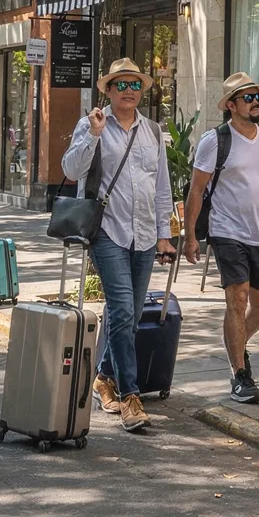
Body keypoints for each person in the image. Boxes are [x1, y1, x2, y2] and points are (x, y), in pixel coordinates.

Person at [61, 57, 173, 433]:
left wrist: (165, 234)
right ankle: (130, 397)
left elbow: (161, 188)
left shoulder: (153, 131)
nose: (129, 90)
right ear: (107, 90)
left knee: (127, 314)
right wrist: (93, 135)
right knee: (124, 309)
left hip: (143, 234)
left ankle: (103, 376)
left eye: (135, 84)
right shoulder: (92, 124)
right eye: (120, 84)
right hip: (107, 230)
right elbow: (71, 170)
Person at [184, 72, 259, 405]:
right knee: (238, 298)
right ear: (231, 106)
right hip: (226, 231)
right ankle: (239, 374)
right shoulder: (216, 140)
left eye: (257, 96)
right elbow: (197, 189)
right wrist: (190, 235)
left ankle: (236, 345)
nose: (255, 102)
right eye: (247, 98)